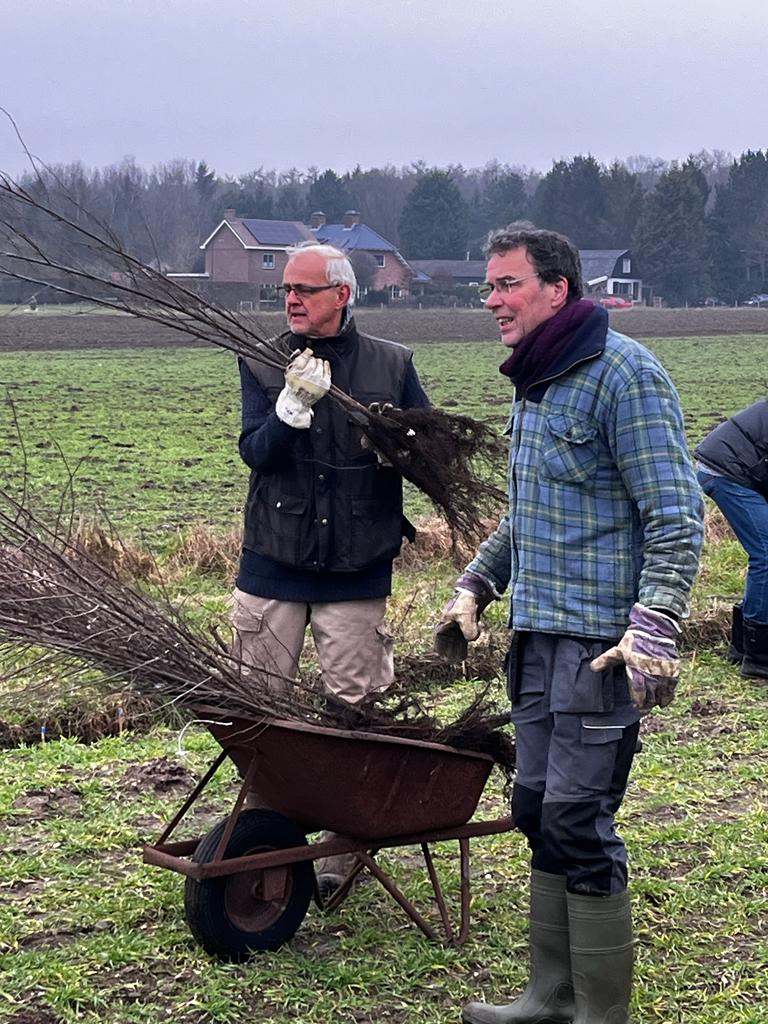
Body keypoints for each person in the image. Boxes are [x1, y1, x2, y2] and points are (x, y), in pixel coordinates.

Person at [435, 224, 703, 1024]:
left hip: (599, 651)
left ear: (557, 289)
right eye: (488, 286)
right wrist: (477, 583)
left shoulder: (626, 375)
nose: (492, 300)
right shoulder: (537, 381)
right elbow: (530, 514)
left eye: (507, 284)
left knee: (578, 823)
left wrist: (655, 623)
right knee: (536, 812)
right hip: (536, 641)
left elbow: (677, 515)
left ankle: (599, 1014)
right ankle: (548, 998)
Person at [232, 241, 429, 892]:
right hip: (274, 562)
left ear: (341, 295)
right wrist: (289, 411)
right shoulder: (262, 359)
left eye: (304, 290)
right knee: (260, 715)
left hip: (356, 566)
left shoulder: (392, 364)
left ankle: (346, 848)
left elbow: (426, 455)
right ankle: (266, 841)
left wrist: (395, 441)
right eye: (285, 289)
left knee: (355, 711)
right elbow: (255, 453)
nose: (290, 299)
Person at [695, 399, 768, 679]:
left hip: (740, 468)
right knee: (766, 553)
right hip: (727, 472)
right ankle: (759, 656)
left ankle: (741, 644)